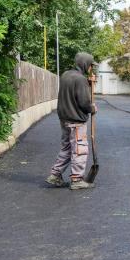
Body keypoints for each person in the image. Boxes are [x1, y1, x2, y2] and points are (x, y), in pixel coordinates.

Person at [45, 52, 98, 190]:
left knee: (67, 148)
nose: (91, 68)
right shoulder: (80, 79)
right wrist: (92, 108)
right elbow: (84, 103)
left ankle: (55, 175)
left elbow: (72, 91)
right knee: (80, 149)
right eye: (91, 66)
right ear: (86, 64)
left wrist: (89, 83)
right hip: (76, 121)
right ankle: (77, 179)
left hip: (64, 119)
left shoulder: (66, 75)